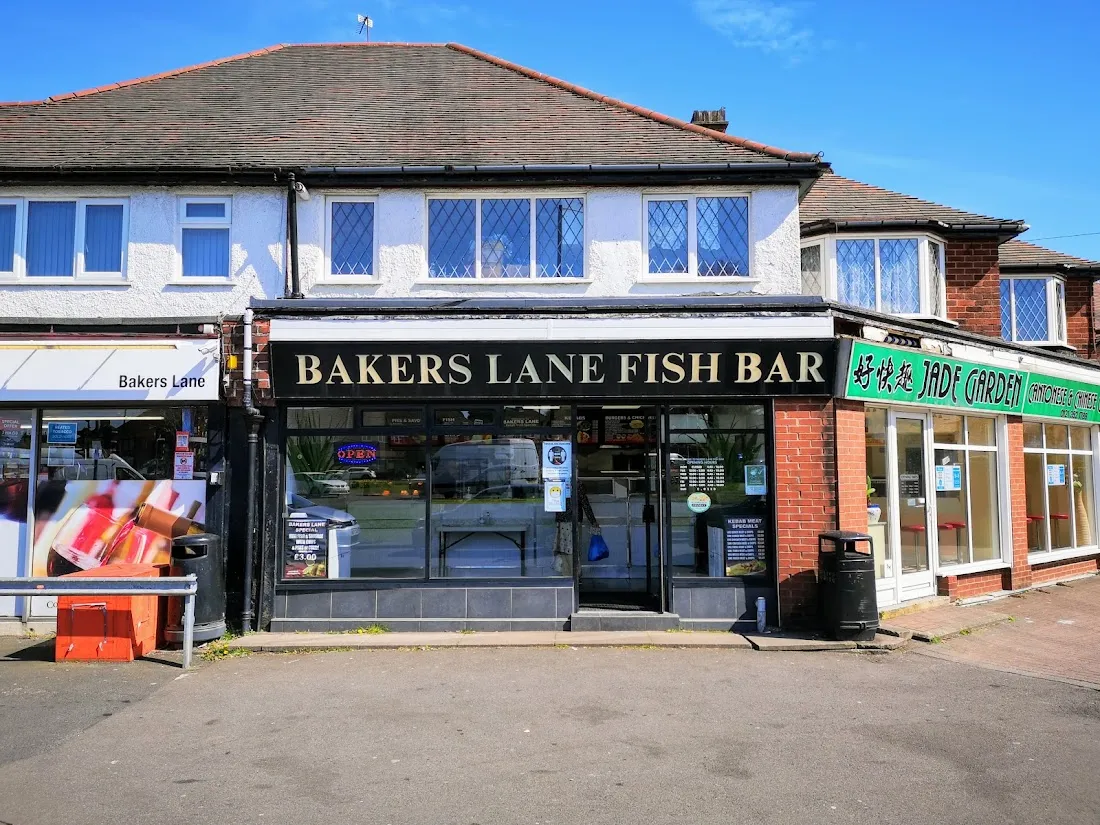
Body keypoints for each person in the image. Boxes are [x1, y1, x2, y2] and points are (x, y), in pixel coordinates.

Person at [553, 481, 598, 576]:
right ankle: (573, 575)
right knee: (573, 549)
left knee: (564, 550)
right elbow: (585, 504)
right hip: (574, 521)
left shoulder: (558, 483)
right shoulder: (577, 485)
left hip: (561, 521)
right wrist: (593, 521)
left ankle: (567, 575)